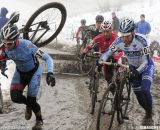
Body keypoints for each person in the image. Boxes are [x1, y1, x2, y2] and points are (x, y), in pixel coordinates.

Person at [0, 23, 55, 130]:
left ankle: (39, 120)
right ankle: (29, 105)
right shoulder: (4, 47)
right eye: (4, 42)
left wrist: (50, 73)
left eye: (9, 43)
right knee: (15, 98)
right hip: (20, 72)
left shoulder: (27, 45)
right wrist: (2, 65)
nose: (6, 45)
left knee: (32, 100)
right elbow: (2, 57)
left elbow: (48, 58)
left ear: (17, 39)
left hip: (34, 72)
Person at [100, 18, 154, 125]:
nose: (124, 38)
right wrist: (100, 60)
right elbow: (108, 52)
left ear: (133, 32)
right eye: (122, 35)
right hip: (133, 68)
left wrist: (137, 72)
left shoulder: (142, 40)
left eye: (127, 35)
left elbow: (145, 61)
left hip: (146, 67)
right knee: (139, 97)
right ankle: (147, 109)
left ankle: (149, 112)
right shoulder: (119, 41)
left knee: (145, 89)